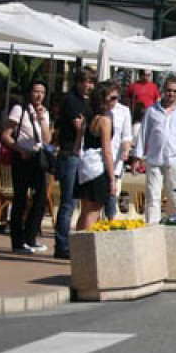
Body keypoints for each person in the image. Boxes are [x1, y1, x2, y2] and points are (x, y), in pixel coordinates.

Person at [0, 79, 52, 254]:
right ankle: (17, 241)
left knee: (40, 199)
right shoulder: (19, 110)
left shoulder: (44, 113)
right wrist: (19, 149)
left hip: (38, 158)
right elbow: (6, 135)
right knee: (20, 199)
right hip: (22, 157)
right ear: (29, 92)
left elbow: (47, 140)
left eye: (42, 92)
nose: (39, 95)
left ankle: (30, 237)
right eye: (36, 91)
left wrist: (42, 118)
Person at [136, 75, 176, 224]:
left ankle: (174, 227)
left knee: (174, 198)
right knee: (152, 197)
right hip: (155, 159)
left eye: (175, 91)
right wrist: (137, 157)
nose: (172, 94)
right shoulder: (152, 111)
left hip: (174, 160)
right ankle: (152, 230)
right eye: (169, 90)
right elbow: (143, 134)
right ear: (163, 90)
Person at [53, 67, 96, 260]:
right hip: (70, 154)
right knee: (68, 202)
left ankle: (77, 242)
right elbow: (79, 127)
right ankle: (62, 245)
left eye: (91, 83)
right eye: (85, 82)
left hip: (84, 155)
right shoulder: (71, 101)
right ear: (78, 82)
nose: (88, 86)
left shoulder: (90, 103)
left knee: (84, 202)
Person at [75, 81, 120, 233]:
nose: (115, 101)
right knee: (94, 210)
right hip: (98, 168)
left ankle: (78, 247)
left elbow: (78, 144)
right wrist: (112, 177)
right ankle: (86, 248)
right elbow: (107, 150)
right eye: (113, 98)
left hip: (85, 166)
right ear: (103, 99)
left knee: (85, 210)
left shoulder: (89, 117)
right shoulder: (104, 120)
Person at [106, 93, 134, 220]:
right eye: (110, 97)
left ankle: (109, 226)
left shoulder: (123, 111)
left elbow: (127, 136)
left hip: (115, 161)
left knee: (112, 198)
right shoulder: (98, 109)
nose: (112, 100)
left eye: (115, 98)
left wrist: (126, 150)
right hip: (96, 161)